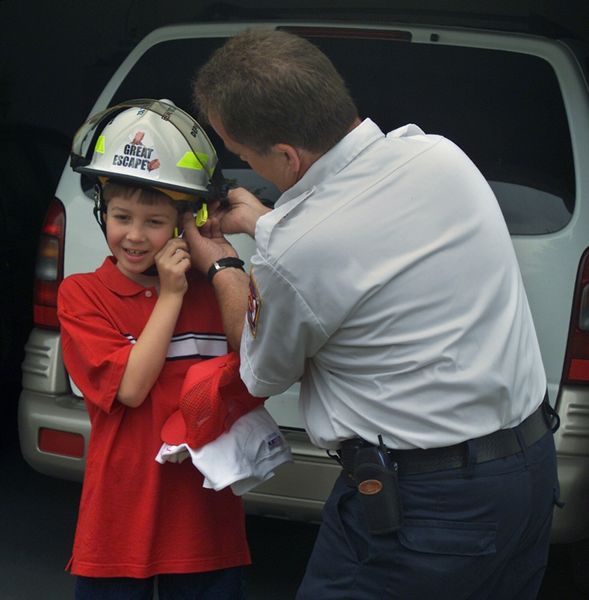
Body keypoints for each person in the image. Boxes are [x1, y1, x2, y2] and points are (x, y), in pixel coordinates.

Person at [183, 28, 561, 600]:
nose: (246, 166)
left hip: (426, 513)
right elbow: (366, 242)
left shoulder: (295, 254)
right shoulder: (440, 155)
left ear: (286, 156)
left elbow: (261, 370)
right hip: (527, 478)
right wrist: (268, 220)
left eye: (245, 157)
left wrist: (225, 267)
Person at [58, 99, 252, 599]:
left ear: (187, 220)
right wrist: (170, 295)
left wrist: (221, 263)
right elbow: (129, 388)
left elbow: (263, 366)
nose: (136, 236)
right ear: (103, 213)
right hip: (119, 525)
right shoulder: (82, 294)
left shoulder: (216, 290)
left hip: (204, 526)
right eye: (122, 216)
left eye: (156, 221)